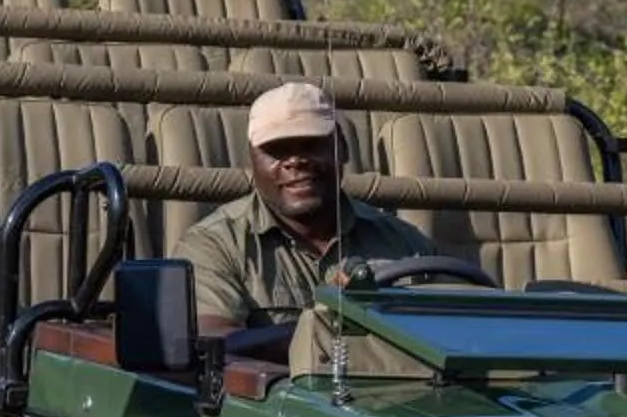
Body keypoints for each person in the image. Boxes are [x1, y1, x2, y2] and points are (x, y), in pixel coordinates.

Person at [177, 82, 441, 333]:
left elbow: (457, 332)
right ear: (252, 161)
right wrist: (332, 327)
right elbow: (217, 341)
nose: (296, 161)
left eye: (312, 145)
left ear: (342, 149)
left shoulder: (406, 245)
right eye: (276, 150)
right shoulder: (216, 245)